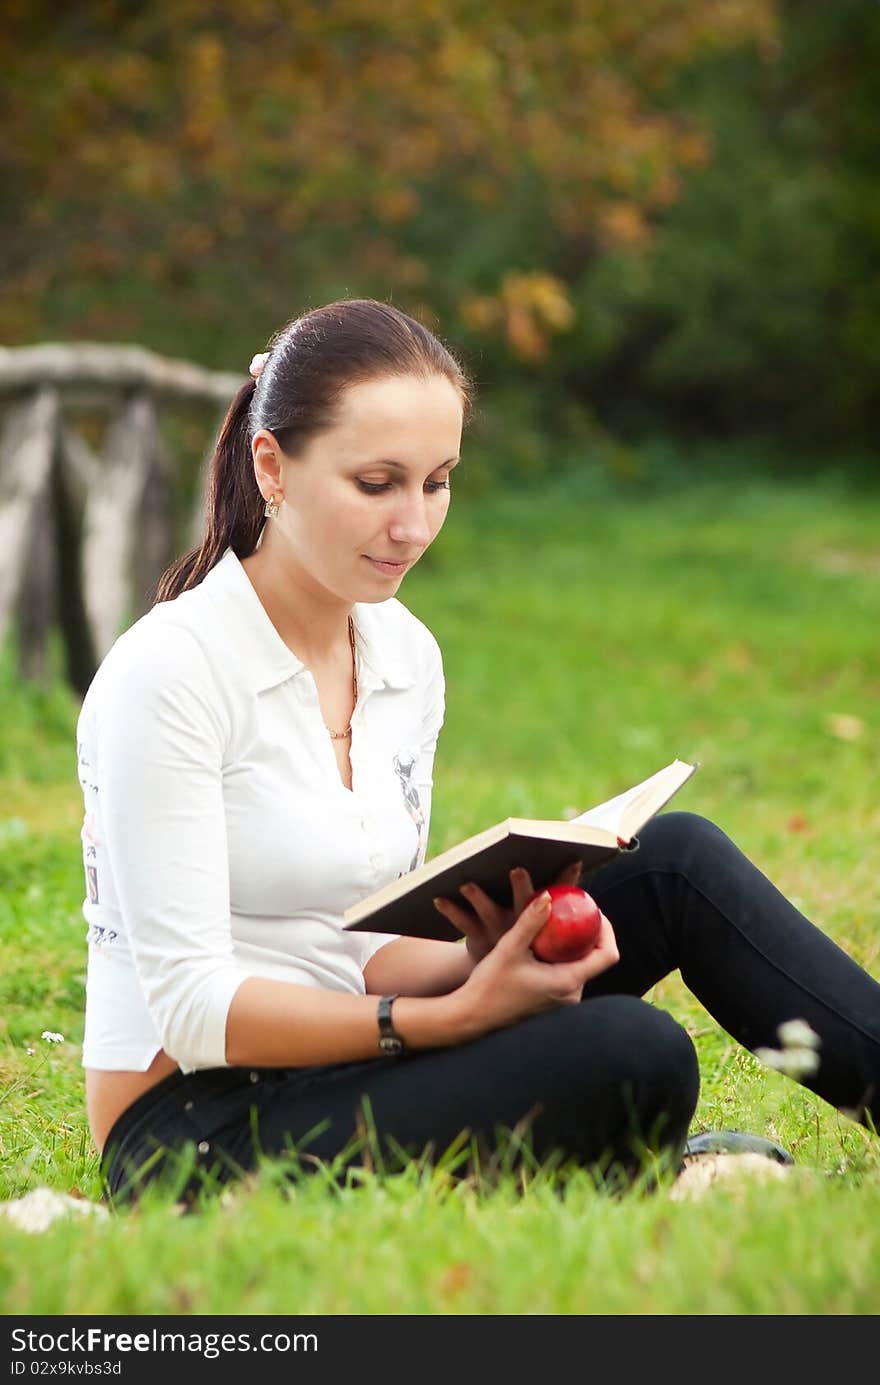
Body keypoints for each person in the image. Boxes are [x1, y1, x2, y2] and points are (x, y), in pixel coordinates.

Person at [76, 298, 880, 1207]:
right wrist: (448, 1017)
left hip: (361, 1054)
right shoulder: (169, 674)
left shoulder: (402, 655)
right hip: (200, 1123)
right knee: (635, 1051)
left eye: (437, 482)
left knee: (674, 860)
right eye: (377, 484)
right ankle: (632, 1152)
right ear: (273, 465)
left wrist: (487, 957)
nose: (414, 526)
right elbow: (190, 1010)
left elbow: (359, 940)